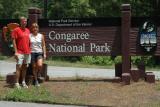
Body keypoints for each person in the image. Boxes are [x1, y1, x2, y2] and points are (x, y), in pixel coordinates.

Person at [12, 17, 31, 88]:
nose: (24, 23)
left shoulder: (28, 30)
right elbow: (13, 41)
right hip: (19, 52)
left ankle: (23, 82)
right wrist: (16, 52)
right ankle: (16, 83)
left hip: (27, 52)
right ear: (20, 22)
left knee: (25, 67)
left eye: (25, 21)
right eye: (23, 21)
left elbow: (29, 42)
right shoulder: (16, 30)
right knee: (18, 67)